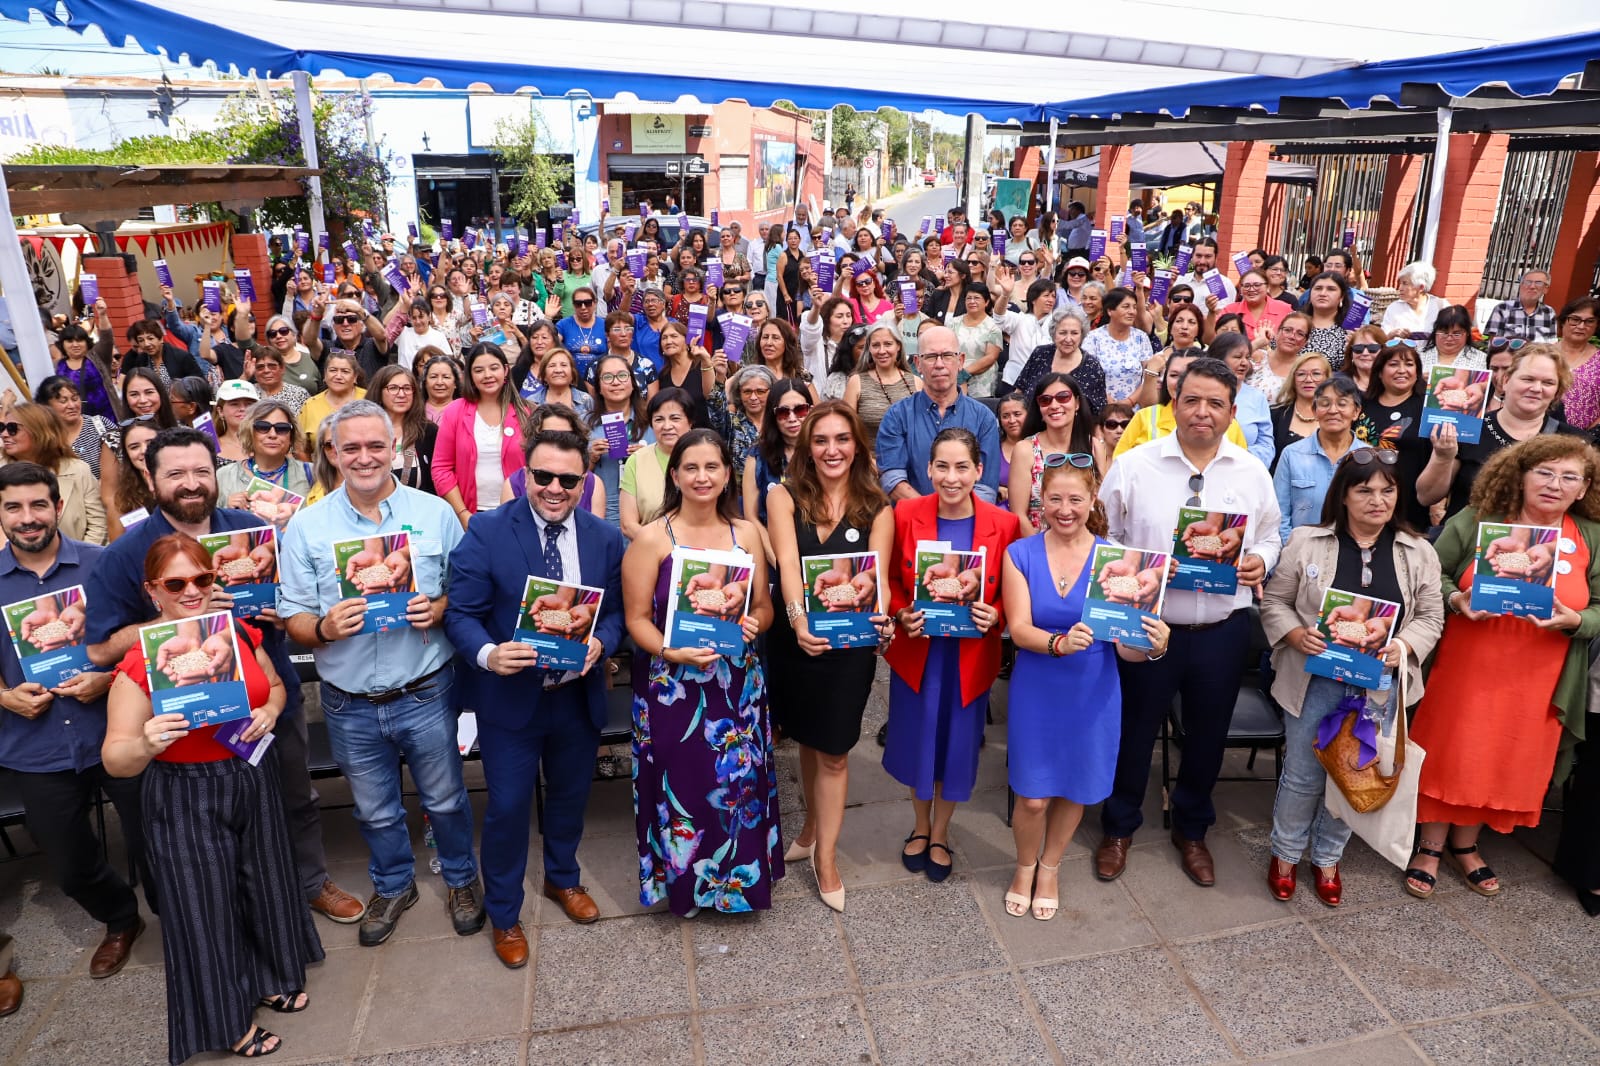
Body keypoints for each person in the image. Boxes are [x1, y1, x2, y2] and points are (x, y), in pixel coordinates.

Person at [85, 426, 362, 923]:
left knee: (295, 795)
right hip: (186, 720)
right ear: (150, 480)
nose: (191, 483)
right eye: (175, 474)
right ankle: (232, 906)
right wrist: (172, 618)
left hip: (267, 695)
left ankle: (310, 882)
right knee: (208, 827)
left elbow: (299, 598)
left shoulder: (250, 528)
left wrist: (285, 609)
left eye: (200, 471)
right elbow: (101, 648)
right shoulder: (125, 555)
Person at [102, 530, 321, 1063]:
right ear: (153, 590)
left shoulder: (238, 634)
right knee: (204, 907)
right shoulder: (139, 663)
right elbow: (115, 756)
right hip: (183, 790)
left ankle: (271, 977)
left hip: (249, 774)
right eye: (177, 583)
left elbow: (272, 685)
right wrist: (147, 743)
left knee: (265, 883)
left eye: (202, 578)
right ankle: (227, 1022)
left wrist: (269, 710)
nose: (192, 591)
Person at [278, 401, 483, 943]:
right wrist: (322, 628)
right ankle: (394, 884)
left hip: (425, 690)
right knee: (375, 809)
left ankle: (462, 879)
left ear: (395, 448)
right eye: (351, 448)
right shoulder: (306, 527)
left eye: (376, 446)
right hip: (349, 701)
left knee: (445, 799)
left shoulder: (435, 513)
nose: (365, 458)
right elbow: (291, 614)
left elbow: (465, 594)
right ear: (332, 453)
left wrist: (436, 609)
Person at [1096, 359, 1282, 886]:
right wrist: (1144, 563)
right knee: (1133, 730)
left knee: (1206, 736)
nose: (1203, 412)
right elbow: (1104, 535)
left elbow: (1270, 535)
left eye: (1215, 403)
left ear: (1231, 409)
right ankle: (1119, 825)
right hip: (1149, 625)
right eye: (1192, 400)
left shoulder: (1250, 472)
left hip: (1221, 632)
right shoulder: (1136, 465)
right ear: (1174, 402)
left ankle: (1192, 827)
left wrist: (1260, 562)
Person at [444, 429, 626, 964]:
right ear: (524, 474)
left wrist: (602, 641)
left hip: (575, 696)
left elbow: (613, 612)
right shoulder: (487, 530)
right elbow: (461, 613)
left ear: (583, 482)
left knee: (570, 798)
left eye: (568, 480)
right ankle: (504, 913)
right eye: (542, 476)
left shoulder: (604, 537)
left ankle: (563, 879)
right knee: (506, 807)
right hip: (511, 700)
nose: (553, 488)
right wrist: (487, 655)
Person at [1406, 436, 1600, 898]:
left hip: (1540, 675)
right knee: (1452, 749)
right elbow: (1429, 573)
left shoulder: (1591, 534)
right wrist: (1456, 599)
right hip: (1467, 663)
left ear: (1583, 487)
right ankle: (1430, 846)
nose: (1555, 484)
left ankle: (1466, 844)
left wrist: (1576, 620)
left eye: (1568, 476)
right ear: (1521, 474)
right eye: (1544, 472)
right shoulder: (1478, 520)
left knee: (1500, 756)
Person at [1260, 449, 1443, 905]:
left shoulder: (1416, 550)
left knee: (1354, 774)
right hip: (1313, 678)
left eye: (1387, 490)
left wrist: (1402, 647)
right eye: (1364, 490)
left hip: (1377, 687)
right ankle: (1285, 854)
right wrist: (1295, 634)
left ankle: (1327, 858)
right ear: (1343, 496)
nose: (1376, 500)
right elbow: (1274, 601)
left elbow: (1430, 615)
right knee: (1302, 775)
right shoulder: (1307, 541)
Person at [0, 464, 151, 979]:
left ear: (58, 507)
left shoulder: (102, 563)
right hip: (34, 742)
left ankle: (184, 921)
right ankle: (120, 919)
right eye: (14, 507)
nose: (28, 518)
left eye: (38, 504)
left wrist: (109, 681)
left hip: (115, 727)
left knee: (156, 839)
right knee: (68, 865)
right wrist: (4, 696)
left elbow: (147, 634)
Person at [1001, 457, 1169, 919]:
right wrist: (1057, 643)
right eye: (1055, 498)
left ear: (1092, 500)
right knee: (1033, 796)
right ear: (1041, 501)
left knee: (1075, 788)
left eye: (1075, 499)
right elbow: (1017, 629)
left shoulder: (1115, 559)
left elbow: (1128, 649)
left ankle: (1050, 867)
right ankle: (1024, 864)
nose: (1065, 508)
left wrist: (1153, 645)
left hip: (1093, 688)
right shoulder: (1020, 553)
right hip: (1038, 685)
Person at [622, 428, 781, 916]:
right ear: (674, 475)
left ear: (727, 473)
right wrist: (672, 653)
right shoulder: (652, 538)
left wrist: (757, 623)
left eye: (712, 466)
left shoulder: (748, 533)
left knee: (739, 786)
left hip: (738, 685)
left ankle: (739, 883)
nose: (702, 476)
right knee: (684, 786)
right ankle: (687, 888)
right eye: (690, 467)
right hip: (675, 689)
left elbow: (764, 605)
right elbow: (635, 621)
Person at [766, 402, 894, 911]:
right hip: (794, 640)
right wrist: (797, 622)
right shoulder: (783, 496)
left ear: (857, 446)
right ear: (806, 447)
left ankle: (827, 858)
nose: (831, 450)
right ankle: (810, 829)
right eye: (821, 440)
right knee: (807, 735)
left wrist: (881, 619)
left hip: (849, 647)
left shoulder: (877, 507)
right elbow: (789, 564)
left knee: (836, 748)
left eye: (842, 439)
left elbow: (875, 580)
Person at [884, 428, 1020, 882]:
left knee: (957, 748)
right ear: (928, 468)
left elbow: (1015, 591)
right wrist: (901, 613)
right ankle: (919, 827)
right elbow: (888, 582)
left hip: (969, 656)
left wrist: (995, 613)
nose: (951, 477)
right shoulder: (905, 513)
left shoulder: (1003, 524)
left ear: (979, 470)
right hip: (919, 652)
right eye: (942, 466)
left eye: (962, 466)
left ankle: (941, 832)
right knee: (918, 742)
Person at [1417, 345, 1585, 524]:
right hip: (1466, 543)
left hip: (1535, 548)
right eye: (1528, 379)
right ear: (1506, 381)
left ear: (1557, 391)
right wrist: (1443, 457)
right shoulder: (1469, 427)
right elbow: (1426, 496)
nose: (1536, 388)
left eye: (1548, 382)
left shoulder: (1574, 442)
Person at [875, 327, 1002, 503]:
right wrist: (929, 515)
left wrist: (954, 519)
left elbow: (986, 487)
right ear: (918, 363)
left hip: (966, 526)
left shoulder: (984, 418)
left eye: (948, 355)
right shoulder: (897, 416)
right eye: (931, 357)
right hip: (912, 523)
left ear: (960, 361)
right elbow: (892, 479)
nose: (940, 364)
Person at [434, 343, 532, 526]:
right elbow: (441, 468)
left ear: (505, 370)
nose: (487, 375)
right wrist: (463, 514)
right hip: (470, 514)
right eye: (479, 370)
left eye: (494, 368)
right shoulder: (455, 411)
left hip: (519, 514)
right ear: (469, 375)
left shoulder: (525, 412)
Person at [1113, 346, 1251, 460]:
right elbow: (1120, 468)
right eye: (1174, 375)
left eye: (1188, 374)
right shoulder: (1144, 417)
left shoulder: (1230, 425)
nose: (1181, 382)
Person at [1008, 374, 1104, 534]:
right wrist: (1042, 552)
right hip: (1037, 545)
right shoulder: (1025, 449)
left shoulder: (1094, 447)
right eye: (1045, 400)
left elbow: (1099, 507)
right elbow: (1019, 515)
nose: (1054, 405)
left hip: (1084, 545)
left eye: (1063, 397)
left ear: (1077, 403)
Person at [0, 403, 105, 545]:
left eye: (12, 429)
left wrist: (81, 560)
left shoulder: (79, 470)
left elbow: (98, 524)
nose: (4, 434)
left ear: (39, 431)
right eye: (2, 428)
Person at [1273, 377, 1363, 541]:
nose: (1333, 410)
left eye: (1342, 404)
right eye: (1324, 403)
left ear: (1356, 412)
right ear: (1314, 411)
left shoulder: (1367, 457)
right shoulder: (1292, 454)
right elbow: (1279, 513)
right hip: (1300, 552)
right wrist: (1292, 549)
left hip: (1352, 552)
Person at [216, 399, 315, 521]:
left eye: (282, 428)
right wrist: (225, 512)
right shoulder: (223, 476)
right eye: (263, 427)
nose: (272, 434)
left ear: (291, 435)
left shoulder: (311, 473)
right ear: (250, 432)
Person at [619, 388, 694, 541]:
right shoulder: (637, 460)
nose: (667, 426)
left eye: (675, 418)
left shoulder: (706, 456)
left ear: (690, 421)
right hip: (649, 551)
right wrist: (662, 547)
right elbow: (628, 524)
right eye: (659, 419)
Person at [589, 353, 654, 525]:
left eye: (622, 375)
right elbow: (574, 476)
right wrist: (590, 458)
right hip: (600, 516)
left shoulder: (653, 423)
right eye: (607, 377)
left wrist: (649, 457)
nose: (616, 382)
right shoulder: (585, 424)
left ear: (633, 383)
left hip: (646, 517)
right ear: (599, 387)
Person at [1208, 332, 1277, 469]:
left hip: (1245, 471)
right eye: (1237, 357)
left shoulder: (1257, 397)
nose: (1244, 363)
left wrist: (1239, 458)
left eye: (1247, 357)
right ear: (1219, 359)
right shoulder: (1202, 393)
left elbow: (1266, 445)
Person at [369, 366, 439, 494]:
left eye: (407, 388)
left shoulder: (428, 431)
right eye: (393, 388)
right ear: (379, 391)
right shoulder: (363, 430)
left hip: (417, 510)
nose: (401, 394)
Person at [1082, 287, 1155, 405]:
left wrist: (1129, 401)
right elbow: (1087, 374)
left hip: (1134, 408)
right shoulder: (1093, 338)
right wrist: (1107, 400)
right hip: (1101, 406)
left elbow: (1148, 375)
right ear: (1110, 311)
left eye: (1134, 307)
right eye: (1126, 307)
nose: (1132, 311)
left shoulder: (1141, 337)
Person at [1267, 351, 1335, 471]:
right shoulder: (1274, 415)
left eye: (1316, 373)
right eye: (1301, 374)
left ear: (1327, 378)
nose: (1308, 379)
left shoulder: (1339, 415)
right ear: (1293, 379)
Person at [34, 375, 112, 477]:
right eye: (63, 401)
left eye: (75, 399)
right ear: (46, 406)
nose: (72, 406)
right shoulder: (41, 436)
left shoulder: (101, 425)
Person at [1550, 298, 1600, 432]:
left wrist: (1589, 436)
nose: (1581, 326)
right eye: (1575, 319)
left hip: (1584, 438)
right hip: (1540, 431)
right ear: (1563, 321)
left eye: (1589, 321)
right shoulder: (1544, 353)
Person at [945, 283, 1003, 398]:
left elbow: (990, 357)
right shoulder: (953, 323)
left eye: (976, 298)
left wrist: (964, 373)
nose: (972, 301)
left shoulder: (993, 327)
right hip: (953, 379)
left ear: (986, 302)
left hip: (981, 384)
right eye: (969, 298)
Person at [297, 351, 367, 440]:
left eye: (345, 371)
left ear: (355, 377)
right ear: (325, 375)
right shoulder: (310, 405)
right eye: (333, 370)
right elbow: (301, 447)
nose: (338, 376)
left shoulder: (368, 398)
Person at [1484, 268, 1557, 343]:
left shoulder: (1549, 312)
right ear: (1521, 285)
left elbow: (1551, 343)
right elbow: (1495, 343)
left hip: (1538, 354)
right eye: (1528, 282)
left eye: (1538, 283)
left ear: (1546, 289)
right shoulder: (1503, 308)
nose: (1532, 286)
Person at [1381, 262, 1444, 339]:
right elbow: (1382, 341)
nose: (1400, 288)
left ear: (1421, 287)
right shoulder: (1394, 308)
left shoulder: (1440, 306)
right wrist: (1392, 334)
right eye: (1400, 283)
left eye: (1405, 283)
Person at [249, 345, 312, 419]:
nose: (266, 371)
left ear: (282, 368)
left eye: (272, 366)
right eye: (260, 367)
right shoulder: (248, 392)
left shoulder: (299, 394)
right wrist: (245, 375)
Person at [1420, 305, 1486, 373]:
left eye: (1456, 334)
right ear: (1435, 332)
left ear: (1467, 333)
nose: (1449, 338)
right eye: (1444, 333)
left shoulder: (1481, 359)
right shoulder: (1419, 355)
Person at [421, 353, 461, 423]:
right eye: (433, 377)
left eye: (446, 377)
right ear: (425, 382)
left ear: (455, 383)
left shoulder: (464, 411)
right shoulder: (413, 410)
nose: (439, 382)